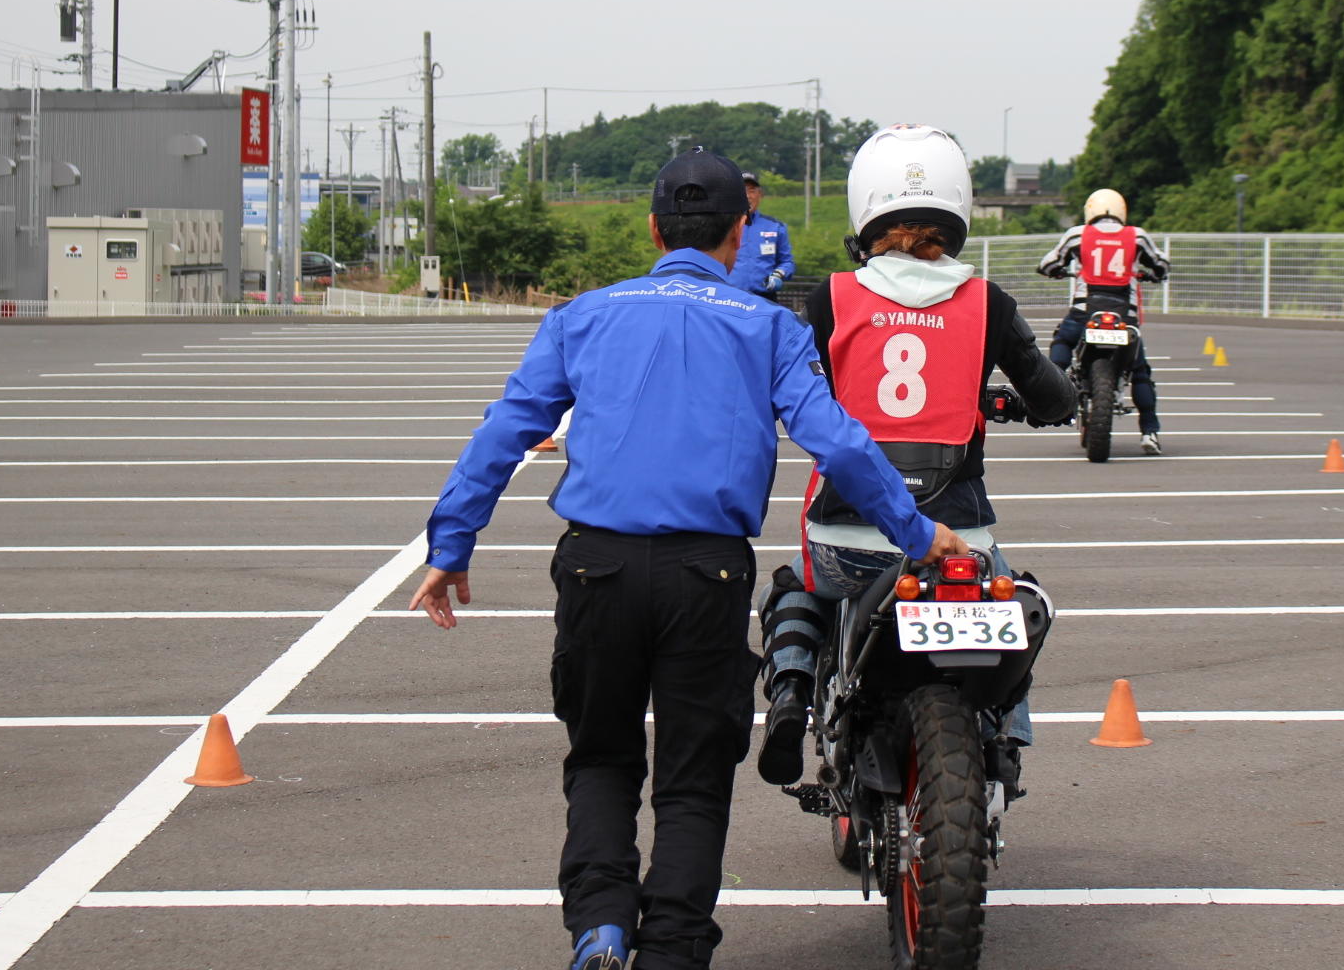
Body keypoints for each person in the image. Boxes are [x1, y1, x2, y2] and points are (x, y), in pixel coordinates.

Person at [409, 146, 970, 970]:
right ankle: (672, 949)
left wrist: (451, 544)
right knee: (693, 776)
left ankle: (600, 927)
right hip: (705, 573)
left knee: (600, 757)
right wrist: (921, 534)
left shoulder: (583, 314)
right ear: (742, 233)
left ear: (651, 226)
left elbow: (506, 429)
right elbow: (839, 443)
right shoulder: (768, 326)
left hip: (595, 565)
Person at [756, 123, 1076, 793]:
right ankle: (1006, 739)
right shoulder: (986, 301)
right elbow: (1053, 400)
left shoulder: (831, 297)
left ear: (864, 208)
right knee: (1012, 600)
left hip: (845, 531)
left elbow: (782, 383)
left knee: (797, 587)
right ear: (956, 206)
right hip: (956, 532)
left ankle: (788, 692)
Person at [1036, 188, 1170, 454]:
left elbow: (1047, 264)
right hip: (1124, 315)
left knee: (1062, 339)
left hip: (1085, 312)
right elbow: (1161, 265)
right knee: (1140, 372)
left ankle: (1052, 389)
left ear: (1090, 211)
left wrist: (1059, 272)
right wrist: (1150, 273)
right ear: (1122, 211)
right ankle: (1150, 432)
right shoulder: (1138, 236)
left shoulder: (1077, 234)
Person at [727, 170, 796, 298]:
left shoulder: (775, 227)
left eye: (752, 191)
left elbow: (787, 262)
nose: (747, 196)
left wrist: (778, 274)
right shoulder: (724, 226)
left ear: (760, 194)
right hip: (731, 297)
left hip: (765, 298)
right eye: (743, 191)